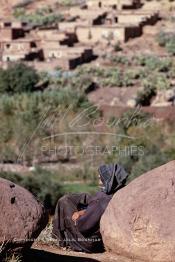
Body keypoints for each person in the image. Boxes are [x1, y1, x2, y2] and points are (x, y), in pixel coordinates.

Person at [52, 163, 128, 253]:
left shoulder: (101, 202)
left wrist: (78, 217)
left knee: (64, 202)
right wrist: (83, 211)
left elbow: (82, 226)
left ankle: (60, 239)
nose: (99, 182)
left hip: (88, 243)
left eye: (101, 179)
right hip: (99, 240)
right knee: (71, 198)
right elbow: (95, 205)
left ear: (108, 179)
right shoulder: (117, 193)